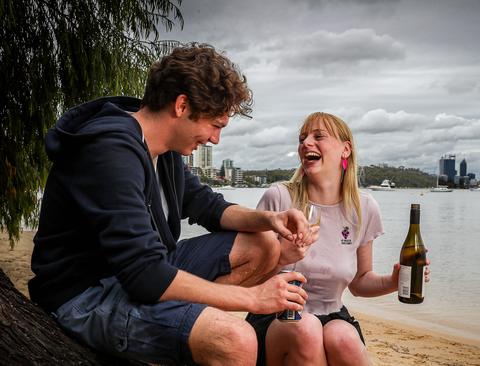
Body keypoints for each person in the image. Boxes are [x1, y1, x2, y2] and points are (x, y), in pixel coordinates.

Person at [28, 43, 317, 365]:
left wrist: (270, 219)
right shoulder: (110, 150)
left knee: (264, 244)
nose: (214, 140)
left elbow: (207, 206)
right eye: (215, 125)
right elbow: (144, 273)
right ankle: (194, 335)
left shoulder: (163, 151)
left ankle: (184, 331)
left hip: (139, 275)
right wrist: (251, 297)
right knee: (236, 340)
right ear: (182, 105)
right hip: (86, 293)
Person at [246, 112, 430, 365]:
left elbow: (359, 282)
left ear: (346, 150)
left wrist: (394, 281)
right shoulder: (278, 198)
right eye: (302, 138)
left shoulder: (364, 207)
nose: (306, 143)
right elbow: (249, 277)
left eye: (318, 136)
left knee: (343, 337)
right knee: (307, 328)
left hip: (333, 314)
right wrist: (281, 257)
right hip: (277, 317)